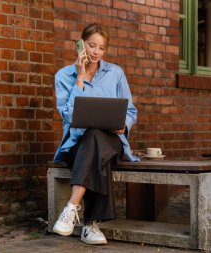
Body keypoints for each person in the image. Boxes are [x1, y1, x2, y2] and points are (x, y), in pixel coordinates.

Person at [52, 23, 140, 245]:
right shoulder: (64, 76)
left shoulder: (116, 73)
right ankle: (91, 226)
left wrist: (124, 126)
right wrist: (80, 79)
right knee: (92, 139)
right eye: (91, 46)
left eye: (101, 48)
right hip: (77, 144)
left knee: (97, 139)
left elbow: (130, 111)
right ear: (81, 44)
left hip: (112, 140)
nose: (96, 52)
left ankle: (71, 208)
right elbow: (69, 117)